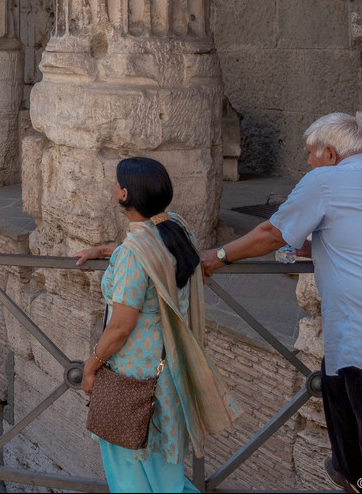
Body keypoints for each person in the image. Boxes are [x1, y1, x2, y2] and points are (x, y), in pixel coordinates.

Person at [198, 113, 362, 493]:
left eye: (310, 155)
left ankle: (357, 475)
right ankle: (348, 471)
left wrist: (217, 255)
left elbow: (270, 234)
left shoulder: (325, 179)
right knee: (337, 379)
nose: (306, 164)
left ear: (330, 154)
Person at [74, 157, 240, 493]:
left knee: (129, 471)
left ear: (124, 194)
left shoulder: (136, 253)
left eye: (115, 183)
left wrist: (91, 367)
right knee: (166, 477)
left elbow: (121, 326)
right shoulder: (176, 227)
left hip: (134, 376)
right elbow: (157, 261)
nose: (113, 187)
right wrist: (115, 250)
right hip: (168, 371)